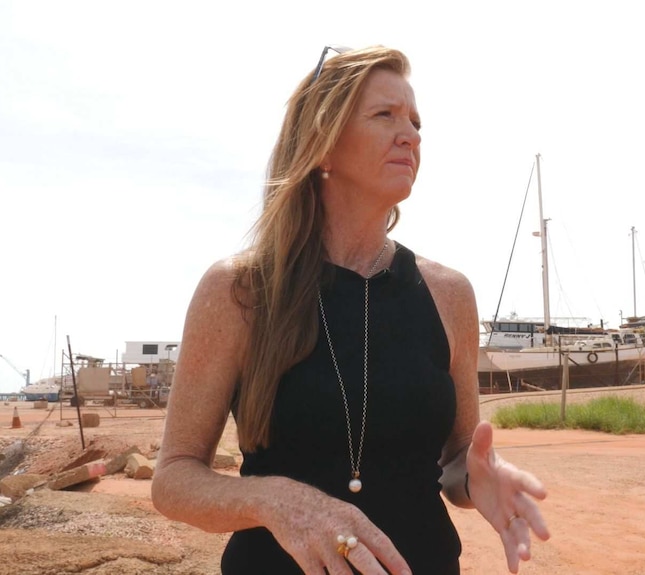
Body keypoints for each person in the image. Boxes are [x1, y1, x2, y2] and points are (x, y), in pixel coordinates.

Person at [151, 45, 550, 575]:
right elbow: (174, 478)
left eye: (415, 121)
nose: (410, 134)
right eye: (384, 116)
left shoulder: (449, 294)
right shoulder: (240, 290)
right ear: (323, 145)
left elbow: (455, 462)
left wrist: (480, 477)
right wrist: (280, 502)